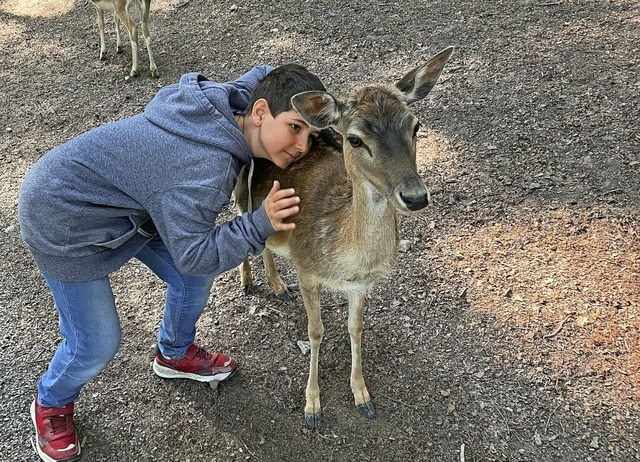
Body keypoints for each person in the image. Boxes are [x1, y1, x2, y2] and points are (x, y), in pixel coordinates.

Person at [18, 63, 326, 462]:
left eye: (312, 135)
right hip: (61, 220)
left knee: (190, 279)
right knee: (95, 343)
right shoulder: (203, 169)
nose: (303, 146)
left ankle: (174, 353)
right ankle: (51, 402)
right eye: (296, 127)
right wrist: (258, 226)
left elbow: (265, 72)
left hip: (122, 208)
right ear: (261, 112)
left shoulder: (227, 104)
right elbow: (195, 255)